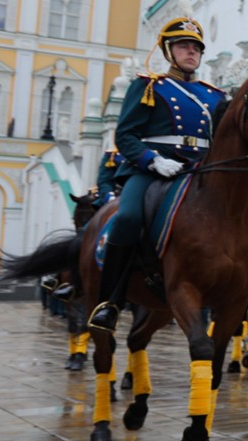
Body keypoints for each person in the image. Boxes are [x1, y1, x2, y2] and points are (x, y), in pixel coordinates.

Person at [91, 19, 227, 332]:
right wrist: (152, 160)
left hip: (198, 171)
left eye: (196, 48)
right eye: (184, 46)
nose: (191, 52)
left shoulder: (214, 96)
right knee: (127, 219)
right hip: (152, 172)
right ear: (168, 51)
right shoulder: (149, 85)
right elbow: (125, 136)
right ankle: (109, 300)